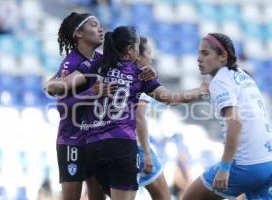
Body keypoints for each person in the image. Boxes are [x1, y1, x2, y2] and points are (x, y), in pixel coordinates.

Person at [61, 26, 208, 200]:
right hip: (122, 146)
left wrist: (90, 92)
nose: (139, 53)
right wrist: (202, 90)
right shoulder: (139, 75)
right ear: (130, 50)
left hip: (93, 148)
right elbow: (171, 98)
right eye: (137, 48)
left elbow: (60, 91)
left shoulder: (93, 66)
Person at [183, 33, 272, 200]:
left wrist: (225, 167)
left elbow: (235, 123)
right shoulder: (243, 75)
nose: (199, 59)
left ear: (223, 56)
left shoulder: (221, 80)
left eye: (205, 54)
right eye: (198, 53)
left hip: (247, 164)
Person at [43, 12, 106, 200]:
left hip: (94, 138)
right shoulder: (71, 64)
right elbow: (61, 106)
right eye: (94, 25)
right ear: (79, 33)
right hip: (72, 139)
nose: (100, 29)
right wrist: (91, 93)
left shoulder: (99, 59)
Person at [135, 37, 171, 200]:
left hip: (113, 144)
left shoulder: (118, 74)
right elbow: (139, 117)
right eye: (148, 52)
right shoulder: (141, 77)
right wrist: (147, 152)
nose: (150, 56)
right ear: (138, 55)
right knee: (164, 197)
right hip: (137, 146)